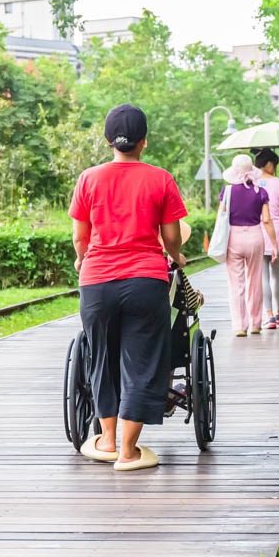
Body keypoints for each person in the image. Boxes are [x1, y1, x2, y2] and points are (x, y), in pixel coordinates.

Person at [69, 104, 187, 472]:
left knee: (100, 356)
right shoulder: (160, 179)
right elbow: (171, 237)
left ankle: (105, 438)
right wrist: (177, 256)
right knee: (142, 363)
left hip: (97, 281)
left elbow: (79, 238)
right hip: (145, 281)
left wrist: (83, 258)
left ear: (108, 141)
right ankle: (128, 451)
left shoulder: (88, 178)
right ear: (144, 142)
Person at [219, 154, 279, 338]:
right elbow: (267, 220)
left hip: (234, 238)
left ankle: (240, 326)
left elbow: (221, 217)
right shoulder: (260, 192)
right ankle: (255, 324)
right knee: (255, 282)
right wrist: (274, 245)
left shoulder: (227, 191)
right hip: (255, 236)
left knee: (236, 284)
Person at [253, 148, 279, 330]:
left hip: (257, 231)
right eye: (275, 164)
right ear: (269, 164)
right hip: (276, 230)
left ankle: (268, 316)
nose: (275, 168)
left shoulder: (251, 182)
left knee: (263, 277)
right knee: (277, 276)